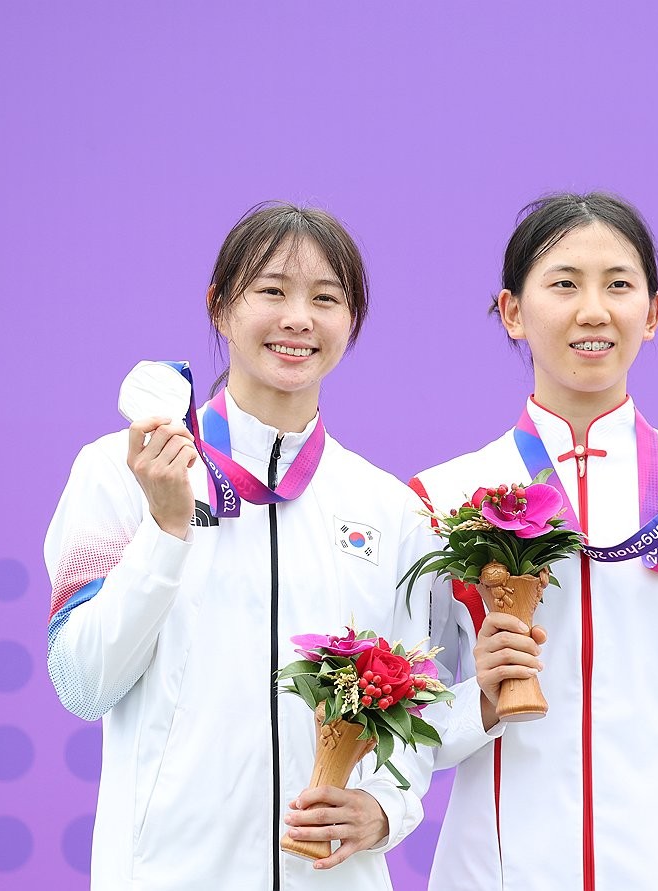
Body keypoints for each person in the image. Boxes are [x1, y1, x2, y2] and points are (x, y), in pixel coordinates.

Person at [45, 203, 436, 889]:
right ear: (220, 306)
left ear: (352, 323)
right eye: (272, 290)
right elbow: (81, 683)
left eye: (326, 298)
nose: (298, 319)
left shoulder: (390, 509)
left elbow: (411, 708)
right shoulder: (120, 469)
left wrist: (386, 808)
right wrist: (167, 532)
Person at [411, 192, 658, 890]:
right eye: (563, 283)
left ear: (653, 313)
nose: (593, 309)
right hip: (496, 871)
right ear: (513, 312)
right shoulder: (442, 500)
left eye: (619, 284)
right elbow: (408, 736)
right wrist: (482, 699)